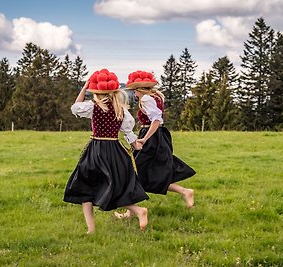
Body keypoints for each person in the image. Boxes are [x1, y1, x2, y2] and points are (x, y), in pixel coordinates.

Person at [63, 68, 148, 233]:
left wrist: (84, 88)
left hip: (96, 150)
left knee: (85, 186)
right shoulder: (121, 110)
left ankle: (92, 230)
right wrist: (135, 145)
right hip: (115, 150)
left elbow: (75, 107)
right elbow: (128, 133)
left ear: (96, 92)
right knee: (112, 186)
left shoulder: (92, 107)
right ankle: (137, 210)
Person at [115, 70, 196, 219]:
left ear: (138, 89)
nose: (134, 94)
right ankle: (184, 192)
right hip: (158, 136)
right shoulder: (156, 96)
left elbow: (156, 120)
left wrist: (145, 139)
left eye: (134, 90)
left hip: (151, 137)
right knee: (148, 174)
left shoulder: (146, 99)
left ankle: (132, 212)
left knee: (134, 170)